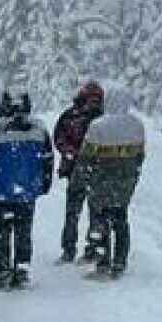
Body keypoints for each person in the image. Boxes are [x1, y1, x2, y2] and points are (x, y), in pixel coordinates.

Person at [0, 90, 54, 290]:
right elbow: (48, 159)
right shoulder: (40, 129)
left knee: (2, 233)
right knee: (24, 232)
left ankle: (3, 272)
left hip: (1, 191)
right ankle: (22, 271)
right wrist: (44, 183)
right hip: (26, 191)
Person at [72, 89, 147, 279]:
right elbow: (140, 156)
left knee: (100, 222)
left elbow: (86, 157)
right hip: (124, 183)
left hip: (101, 182)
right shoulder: (137, 126)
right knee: (121, 221)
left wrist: (80, 180)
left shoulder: (98, 126)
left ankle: (103, 263)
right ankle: (120, 262)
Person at [53, 81, 107, 264]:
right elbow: (58, 137)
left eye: (96, 100)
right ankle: (74, 249)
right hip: (81, 169)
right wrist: (70, 152)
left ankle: (87, 249)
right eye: (91, 99)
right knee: (78, 212)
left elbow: (59, 137)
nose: (93, 103)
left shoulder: (99, 118)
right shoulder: (72, 116)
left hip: (92, 170)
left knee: (88, 212)